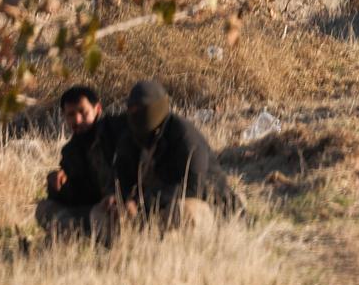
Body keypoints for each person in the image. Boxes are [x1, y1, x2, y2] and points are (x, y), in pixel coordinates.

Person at [95, 79, 237, 239]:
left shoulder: (185, 136)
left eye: (141, 110)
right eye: (132, 110)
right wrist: (119, 199)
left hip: (205, 205)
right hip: (149, 209)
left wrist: (142, 203)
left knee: (183, 212)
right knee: (99, 212)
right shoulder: (131, 137)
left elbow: (192, 186)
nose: (136, 115)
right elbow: (122, 176)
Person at [33, 85, 117, 237]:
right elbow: (76, 197)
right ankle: (81, 234)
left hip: (122, 208)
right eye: (71, 114)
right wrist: (58, 184)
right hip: (94, 211)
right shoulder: (71, 151)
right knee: (44, 208)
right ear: (64, 116)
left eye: (83, 113)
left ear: (97, 109)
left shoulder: (116, 134)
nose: (77, 120)